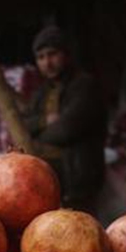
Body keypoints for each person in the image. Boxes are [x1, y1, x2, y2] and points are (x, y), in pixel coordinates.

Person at [23, 25, 107, 209]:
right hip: (49, 174)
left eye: (52, 54)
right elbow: (23, 125)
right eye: (41, 57)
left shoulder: (84, 86)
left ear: (66, 55)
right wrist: (44, 121)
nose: (47, 62)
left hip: (76, 176)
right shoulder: (41, 92)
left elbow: (66, 130)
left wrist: (36, 135)